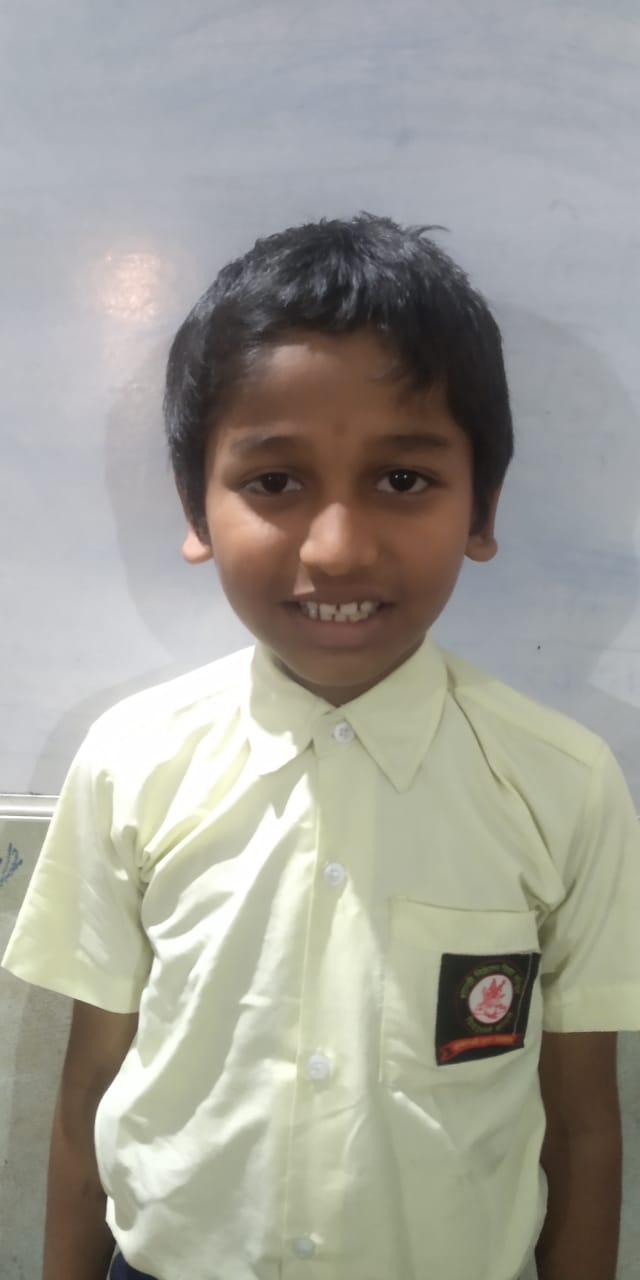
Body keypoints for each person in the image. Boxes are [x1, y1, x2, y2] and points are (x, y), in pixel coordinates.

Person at [3, 214, 640, 1280]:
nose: (337, 549)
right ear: (195, 506)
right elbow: (90, 1091)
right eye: (274, 482)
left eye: (403, 480)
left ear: (481, 507)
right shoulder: (130, 764)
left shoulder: (562, 784)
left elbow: (580, 1124)